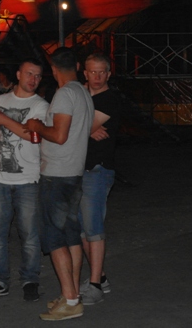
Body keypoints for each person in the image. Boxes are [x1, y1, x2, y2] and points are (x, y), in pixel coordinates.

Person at [24, 47, 94, 322]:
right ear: (76, 66)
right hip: (73, 172)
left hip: (58, 174)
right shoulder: (83, 93)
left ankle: (72, 301)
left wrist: (36, 126)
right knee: (70, 236)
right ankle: (70, 294)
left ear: (53, 70)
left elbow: (60, 135)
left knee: (55, 239)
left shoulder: (65, 94)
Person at [0, 58, 48, 302]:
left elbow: (33, 135)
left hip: (29, 179)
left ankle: (30, 280)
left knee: (30, 236)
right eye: (29, 74)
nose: (33, 79)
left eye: (38, 75)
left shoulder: (41, 105)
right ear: (18, 74)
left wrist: (3, 120)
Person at [77, 54, 121, 306]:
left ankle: (95, 285)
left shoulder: (109, 99)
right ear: (85, 73)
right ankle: (100, 278)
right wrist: (86, 129)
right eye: (92, 71)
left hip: (97, 170)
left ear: (109, 74)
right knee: (83, 230)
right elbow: (65, 123)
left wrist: (82, 127)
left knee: (93, 229)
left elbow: (68, 128)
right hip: (78, 170)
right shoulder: (81, 95)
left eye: (101, 72)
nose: (97, 76)